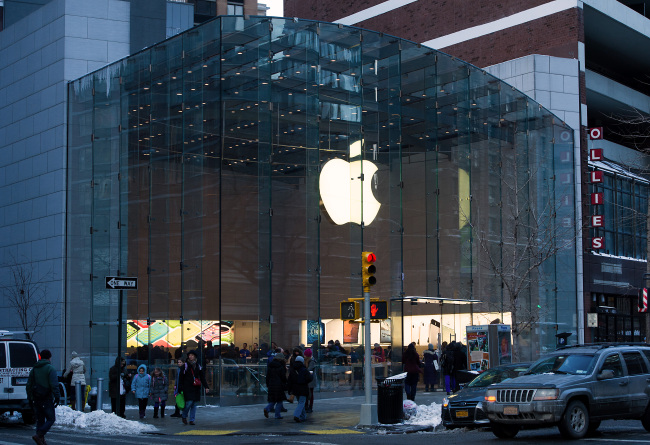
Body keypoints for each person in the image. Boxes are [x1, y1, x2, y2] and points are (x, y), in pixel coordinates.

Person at [26, 349, 60, 445]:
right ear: (49, 357)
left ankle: (41, 440)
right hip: (46, 397)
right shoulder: (50, 369)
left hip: (36, 397)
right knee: (51, 419)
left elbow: (29, 385)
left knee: (40, 419)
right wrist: (57, 396)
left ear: (40, 357)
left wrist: (29, 397)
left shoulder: (34, 369)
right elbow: (54, 384)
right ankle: (39, 435)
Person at [178, 350, 209, 425]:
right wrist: (180, 387)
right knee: (189, 402)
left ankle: (192, 420)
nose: (190, 356)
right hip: (187, 387)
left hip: (195, 387)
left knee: (194, 404)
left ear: (195, 356)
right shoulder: (185, 366)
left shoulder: (198, 366)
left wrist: (206, 387)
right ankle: (184, 415)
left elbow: (202, 377)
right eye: (189, 355)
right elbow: (181, 377)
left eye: (192, 355)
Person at [288, 355, 312, 422]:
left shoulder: (292, 370)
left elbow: (290, 380)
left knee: (300, 402)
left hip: (295, 388)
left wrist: (290, 390)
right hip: (303, 388)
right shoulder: (304, 369)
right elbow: (309, 378)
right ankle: (296, 415)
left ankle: (303, 416)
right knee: (302, 403)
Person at [264, 352, 287, 419]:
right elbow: (283, 377)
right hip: (279, 385)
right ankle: (277, 415)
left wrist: (268, 384)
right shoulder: (281, 366)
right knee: (279, 400)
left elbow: (267, 376)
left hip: (271, 384)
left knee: (273, 400)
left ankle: (267, 408)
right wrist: (285, 383)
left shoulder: (270, 366)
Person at [303, 348, 316, 413]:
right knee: (306, 393)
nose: (304, 356)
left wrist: (304, 371)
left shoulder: (312, 362)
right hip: (306, 380)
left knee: (310, 394)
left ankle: (310, 407)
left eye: (305, 355)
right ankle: (306, 406)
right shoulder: (305, 361)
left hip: (310, 380)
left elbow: (309, 370)